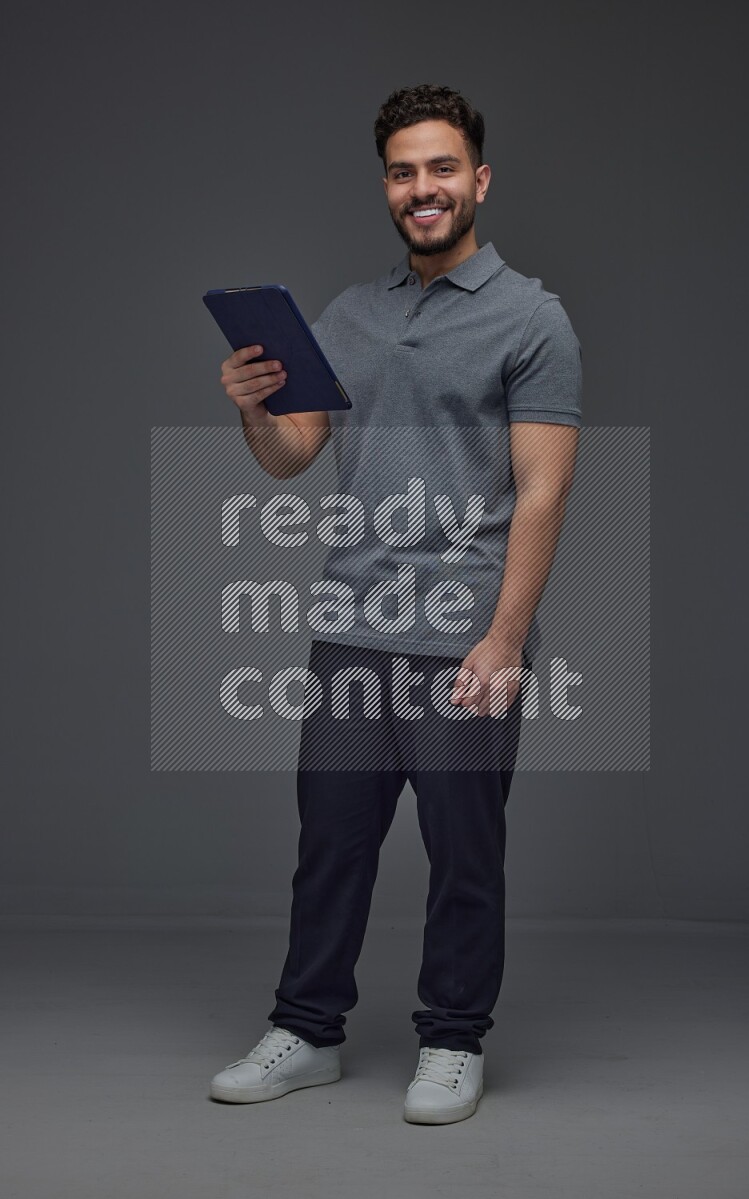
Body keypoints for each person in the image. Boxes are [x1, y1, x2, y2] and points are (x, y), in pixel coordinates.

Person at [209, 83, 582, 1124]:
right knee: (329, 843)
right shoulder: (349, 316)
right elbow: (291, 460)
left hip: (466, 635)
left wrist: (504, 637)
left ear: (478, 178)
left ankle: (453, 1038)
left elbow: (544, 490)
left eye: (441, 168)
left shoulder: (532, 320)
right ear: (388, 185)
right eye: (403, 171)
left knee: (465, 852)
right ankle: (306, 1028)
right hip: (351, 629)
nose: (422, 188)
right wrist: (253, 407)